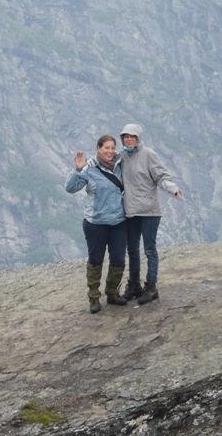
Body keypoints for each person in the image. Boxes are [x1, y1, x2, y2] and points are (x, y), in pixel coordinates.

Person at [117, 122, 182, 304]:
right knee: (132, 249)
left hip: (150, 211)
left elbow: (161, 176)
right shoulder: (121, 156)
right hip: (131, 210)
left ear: (138, 138)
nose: (128, 139)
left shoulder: (148, 155)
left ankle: (151, 287)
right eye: (125, 136)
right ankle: (134, 285)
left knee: (149, 249)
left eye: (132, 136)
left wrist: (173, 189)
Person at [65, 135, 129, 313]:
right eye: (106, 148)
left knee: (118, 259)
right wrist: (77, 170)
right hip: (96, 223)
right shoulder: (89, 168)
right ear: (98, 148)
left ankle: (112, 293)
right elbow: (70, 188)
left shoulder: (120, 166)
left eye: (112, 148)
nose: (109, 151)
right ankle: (94, 297)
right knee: (96, 260)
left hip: (118, 222)